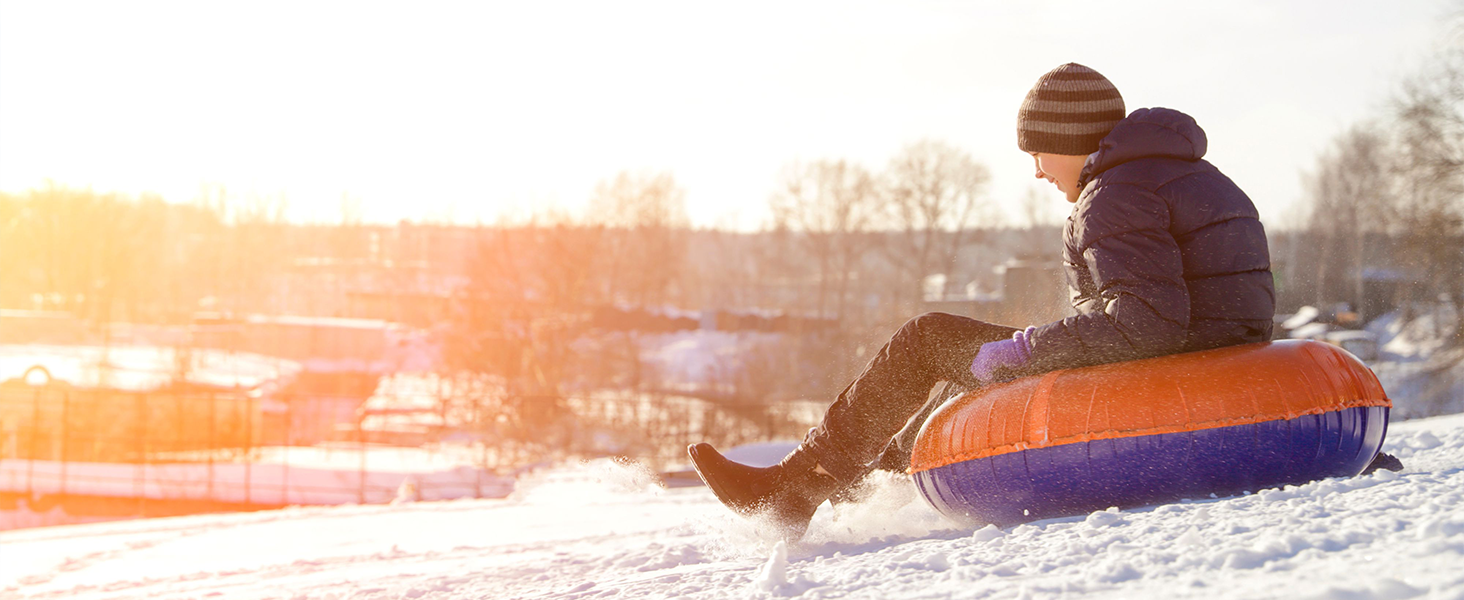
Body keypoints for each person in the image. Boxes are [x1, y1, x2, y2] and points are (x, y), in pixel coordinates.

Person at [687, 63, 1279, 540]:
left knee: (929, 338)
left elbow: (1145, 325)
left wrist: (1022, 349)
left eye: (1038, 154)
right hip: (1210, 353)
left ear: (1068, 141)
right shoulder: (1190, 174)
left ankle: (795, 491)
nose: (1039, 174)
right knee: (959, 360)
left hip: (1160, 366)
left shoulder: (1114, 197)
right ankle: (860, 482)